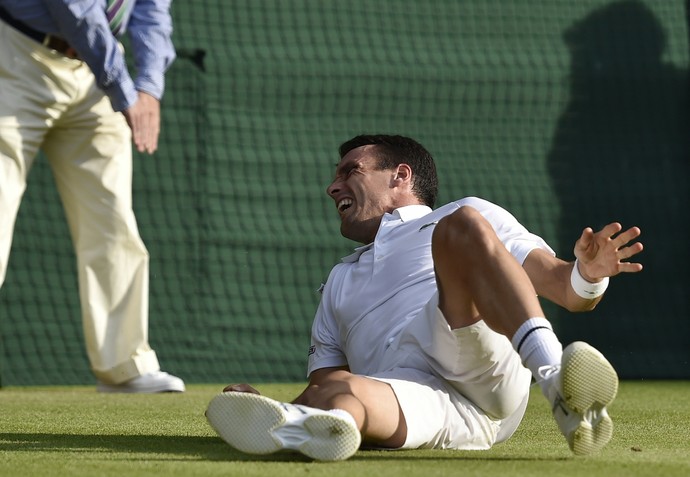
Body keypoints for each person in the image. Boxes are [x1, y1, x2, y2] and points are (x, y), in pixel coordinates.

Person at [205, 134, 643, 460]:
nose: (332, 187)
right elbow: (324, 381)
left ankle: (555, 381)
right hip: (423, 402)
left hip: (475, 356)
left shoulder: (460, 214)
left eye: (350, 172)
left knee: (461, 228)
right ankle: (299, 429)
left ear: (400, 176)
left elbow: (567, 291)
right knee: (339, 395)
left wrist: (589, 274)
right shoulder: (338, 280)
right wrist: (268, 409)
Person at [0, 1, 184, 393]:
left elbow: (152, 11)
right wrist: (123, 88)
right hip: (16, 54)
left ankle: (124, 365)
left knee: (113, 220)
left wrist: (149, 85)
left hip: (95, 71)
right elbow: (75, 8)